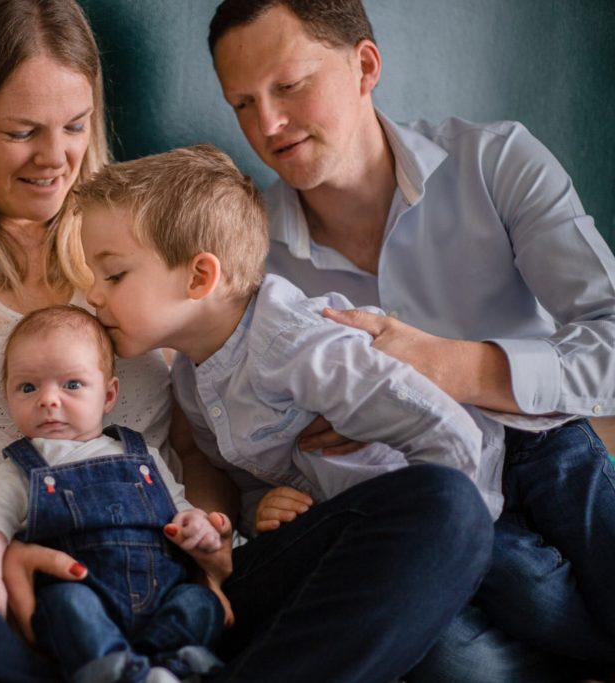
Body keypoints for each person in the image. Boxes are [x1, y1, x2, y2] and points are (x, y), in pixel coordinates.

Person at [0, 1, 493, 682]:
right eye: (22, 131)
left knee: (445, 508)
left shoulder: (139, 246)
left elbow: (198, 456)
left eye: (75, 125)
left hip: (160, 587)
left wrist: (208, 541)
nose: (55, 156)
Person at [207, 0, 615, 679]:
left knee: (572, 480)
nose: (268, 125)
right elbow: (251, 448)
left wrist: (455, 367)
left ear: (364, 65)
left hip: (547, 452)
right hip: (416, 506)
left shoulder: (496, 160)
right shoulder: (250, 261)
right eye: (243, 103)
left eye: (290, 86)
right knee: (459, 665)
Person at [77, 142, 503, 533]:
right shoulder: (192, 382)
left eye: (113, 275)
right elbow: (244, 483)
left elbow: (446, 430)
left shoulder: (300, 346)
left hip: (467, 502)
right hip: (357, 527)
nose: (94, 294)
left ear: (199, 276)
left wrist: (448, 539)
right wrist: (263, 511)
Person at [0, 304, 228, 683]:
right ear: (8, 397)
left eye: (71, 384)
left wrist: (197, 525)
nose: (49, 400)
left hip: (160, 591)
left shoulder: (142, 455)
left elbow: (180, 509)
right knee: (64, 607)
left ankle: (166, 665)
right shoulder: (23, 466)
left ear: (108, 396)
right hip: (82, 591)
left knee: (200, 602)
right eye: (28, 387)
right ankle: (126, 673)